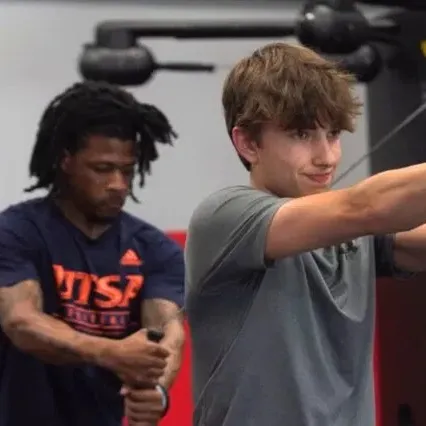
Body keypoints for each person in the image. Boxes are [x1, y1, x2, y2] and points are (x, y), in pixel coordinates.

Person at [184, 42, 426, 426]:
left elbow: (413, 244)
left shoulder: (353, 231)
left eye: (333, 134)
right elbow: (366, 206)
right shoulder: (225, 217)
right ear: (248, 143)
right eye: (301, 134)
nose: (326, 156)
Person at [0, 81, 185, 426]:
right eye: (102, 169)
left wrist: (156, 392)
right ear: (65, 160)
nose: (118, 184)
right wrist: (110, 352)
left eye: (127, 171)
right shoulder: (16, 231)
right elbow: (20, 321)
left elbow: (167, 332)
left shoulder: (155, 250)